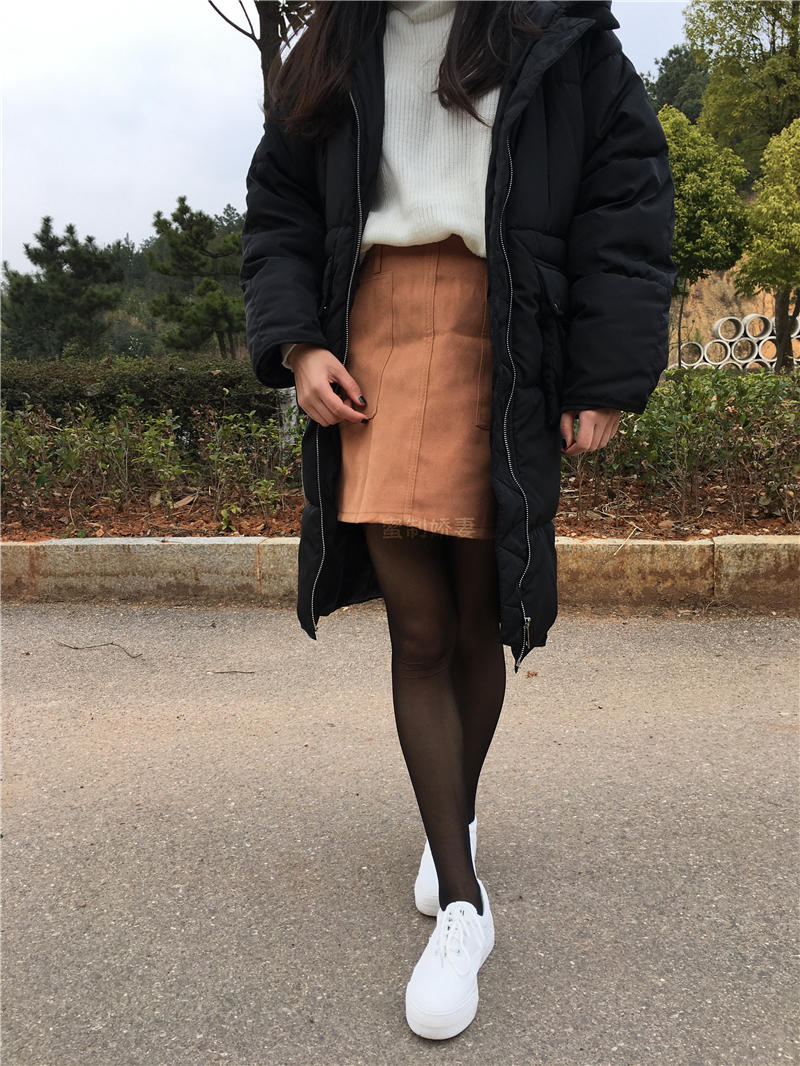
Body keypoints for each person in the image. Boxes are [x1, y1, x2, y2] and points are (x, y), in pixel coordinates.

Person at [240, 0, 677, 1041]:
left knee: (480, 618)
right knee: (420, 628)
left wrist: (606, 373)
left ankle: (453, 833)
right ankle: (464, 903)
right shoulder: (333, 41)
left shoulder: (555, 35)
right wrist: (299, 343)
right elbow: (280, 206)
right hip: (375, 332)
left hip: (507, 328)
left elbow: (625, 198)